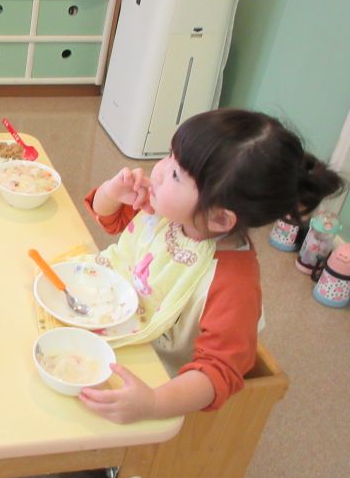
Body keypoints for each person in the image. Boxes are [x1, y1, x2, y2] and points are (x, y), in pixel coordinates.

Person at [78, 109, 343, 424]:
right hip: (104, 311)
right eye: (170, 156)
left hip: (149, 374)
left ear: (219, 217)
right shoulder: (170, 212)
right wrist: (111, 192)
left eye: (176, 175)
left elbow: (217, 372)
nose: (159, 171)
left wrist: (153, 403)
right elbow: (109, 219)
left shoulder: (233, 285)